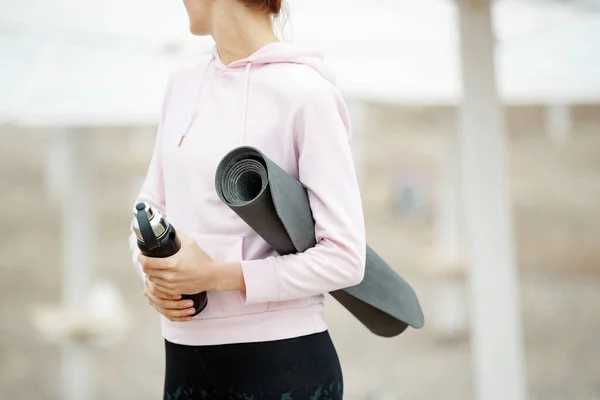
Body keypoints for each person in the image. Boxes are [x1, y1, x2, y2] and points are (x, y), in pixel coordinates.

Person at [129, 0, 366, 398]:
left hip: (281, 364)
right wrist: (156, 279)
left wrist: (214, 275)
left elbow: (345, 257)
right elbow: (149, 208)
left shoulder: (307, 94)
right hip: (184, 358)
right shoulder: (183, 83)